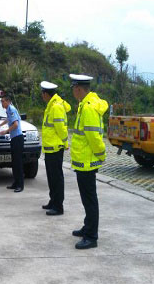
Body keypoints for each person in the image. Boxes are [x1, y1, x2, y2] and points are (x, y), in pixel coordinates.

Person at [70, 74, 108, 250]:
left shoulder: (88, 108)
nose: (72, 91)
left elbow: (93, 136)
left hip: (87, 161)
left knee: (90, 199)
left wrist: (101, 154)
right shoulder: (84, 105)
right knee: (87, 198)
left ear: (79, 89)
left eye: (73, 88)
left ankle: (92, 236)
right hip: (82, 160)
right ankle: (88, 227)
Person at [40, 81, 71, 216]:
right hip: (49, 148)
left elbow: (60, 128)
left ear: (46, 94)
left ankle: (58, 206)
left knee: (56, 178)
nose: (42, 96)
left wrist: (65, 142)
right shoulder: (51, 105)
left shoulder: (56, 107)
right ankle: (53, 201)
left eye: (42, 94)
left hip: (56, 147)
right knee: (51, 177)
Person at [0, 94, 24, 193]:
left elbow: (15, 124)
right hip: (14, 138)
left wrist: (5, 131)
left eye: (3, 101)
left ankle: (20, 185)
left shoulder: (11, 109)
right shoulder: (8, 110)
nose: (1, 103)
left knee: (18, 163)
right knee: (14, 162)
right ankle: (16, 182)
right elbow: (8, 120)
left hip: (17, 138)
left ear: (7, 101)